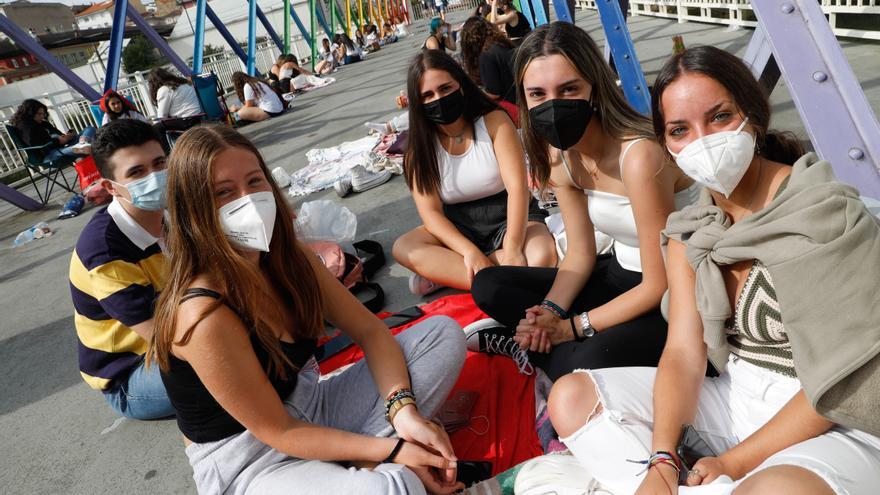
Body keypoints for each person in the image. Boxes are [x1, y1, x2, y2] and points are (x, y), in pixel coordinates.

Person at [547, 45, 880, 495]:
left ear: (753, 116)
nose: (702, 141)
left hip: (834, 417)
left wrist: (732, 462)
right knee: (571, 397)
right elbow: (684, 353)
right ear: (666, 143)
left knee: (769, 490)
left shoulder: (823, 213)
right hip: (738, 398)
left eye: (719, 117)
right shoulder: (694, 232)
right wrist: (663, 460)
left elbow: (846, 376)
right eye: (680, 130)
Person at [148, 125, 467, 495]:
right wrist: (395, 449)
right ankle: (364, 460)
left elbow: (371, 332)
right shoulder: (204, 315)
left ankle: (354, 458)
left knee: (442, 333)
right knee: (389, 489)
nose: (248, 200)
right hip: (250, 461)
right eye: (223, 193)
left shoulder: (290, 259)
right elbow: (278, 431)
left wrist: (403, 411)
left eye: (254, 182)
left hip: (312, 403)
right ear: (194, 211)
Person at [470, 22, 700, 381]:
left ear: (595, 87)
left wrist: (573, 327)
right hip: (618, 275)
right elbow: (580, 253)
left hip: (674, 294)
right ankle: (539, 340)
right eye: (537, 94)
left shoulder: (638, 157)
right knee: (488, 284)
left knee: (582, 364)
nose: (553, 105)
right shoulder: (562, 155)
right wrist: (549, 311)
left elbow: (660, 283)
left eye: (569, 89)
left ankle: (537, 347)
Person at [392, 50, 556, 356]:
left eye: (444, 89)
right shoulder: (417, 147)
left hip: (510, 214)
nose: (438, 99)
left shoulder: (493, 121)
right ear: (417, 102)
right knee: (404, 247)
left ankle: (455, 273)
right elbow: (430, 214)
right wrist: (470, 252)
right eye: (427, 95)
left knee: (542, 255)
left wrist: (516, 245)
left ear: (461, 85)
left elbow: (518, 188)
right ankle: (489, 269)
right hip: (459, 225)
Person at [68, 119, 174, 420]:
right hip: (134, 374)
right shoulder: (105, 251)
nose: (155, 177)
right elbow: (162, 336)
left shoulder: (171, 213)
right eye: (137, 172)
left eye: (159, 163)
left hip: (179, 333)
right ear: (110, 187)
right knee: (227, 361)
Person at [460, 15, 517, 105]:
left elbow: (494, 93)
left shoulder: (485, 55)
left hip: (511, 104)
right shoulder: (501, 43)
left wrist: (472, 94)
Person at [11, 99, 95, 159]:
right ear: (30, 112)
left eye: (43, 114)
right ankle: (82, 146)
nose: (42, 116)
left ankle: (82, 143)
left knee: (90, 129)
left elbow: (59, 135)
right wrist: (58, 141)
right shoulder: (25, 126)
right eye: (39, 114)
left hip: (61, 148)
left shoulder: (42, 123)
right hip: (50, 154)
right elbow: (37, 145)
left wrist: (67, 137)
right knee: (92, 148)